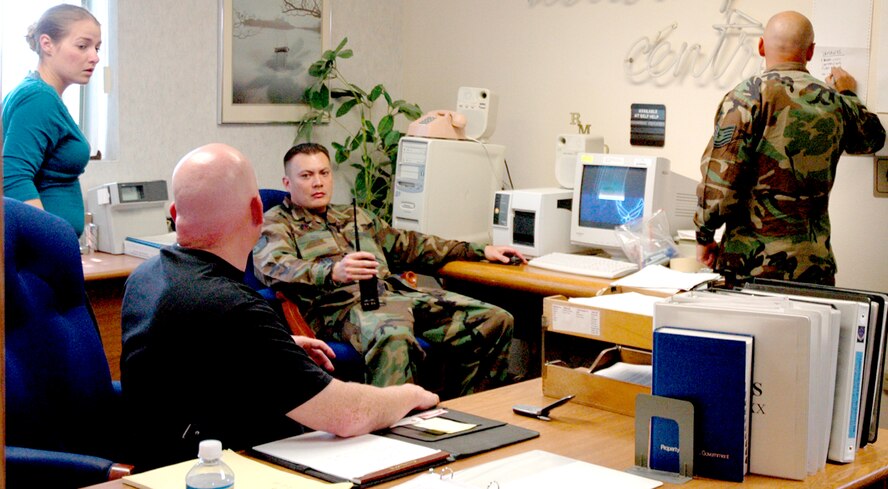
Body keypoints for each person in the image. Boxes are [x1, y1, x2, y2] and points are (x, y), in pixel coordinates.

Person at [120, 143, 439, 470]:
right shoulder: (230, 306)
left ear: (175, 214)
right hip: (219, 471)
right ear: (257, 212)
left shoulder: (144, 277)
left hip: (159, 461)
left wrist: (277, 347)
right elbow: (347, 415)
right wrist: (412, 397)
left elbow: (188, 359)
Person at [253, 143, 524, 399]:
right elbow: (273, 266)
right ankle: (393, 435)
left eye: (324, 173)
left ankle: (469, 412)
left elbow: (412, 244)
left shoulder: (354, 216)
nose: (318, 182)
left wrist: (480, 250)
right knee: (394, 335)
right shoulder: (276, 222)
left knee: (495, 319)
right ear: (287, 183)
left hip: (395, 296)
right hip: (338, 309)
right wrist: (333, 271)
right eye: (306, 175)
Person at [694, 10, 885, 285]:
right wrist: (848, 93)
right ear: (810, 52)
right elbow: (872, 139)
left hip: (750, 268)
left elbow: (719, 185)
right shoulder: (835, 102)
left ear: (761, 47)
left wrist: (704, 237)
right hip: (813, 267)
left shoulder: (746, 98)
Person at [2, 4, 102, 236]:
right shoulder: (39, 98)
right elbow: (12, 175)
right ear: (47, 44)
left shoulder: (36, 93)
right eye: (82, 46)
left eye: (97, 48)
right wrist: (52, 242)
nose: (95, 57)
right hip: (41, 257)